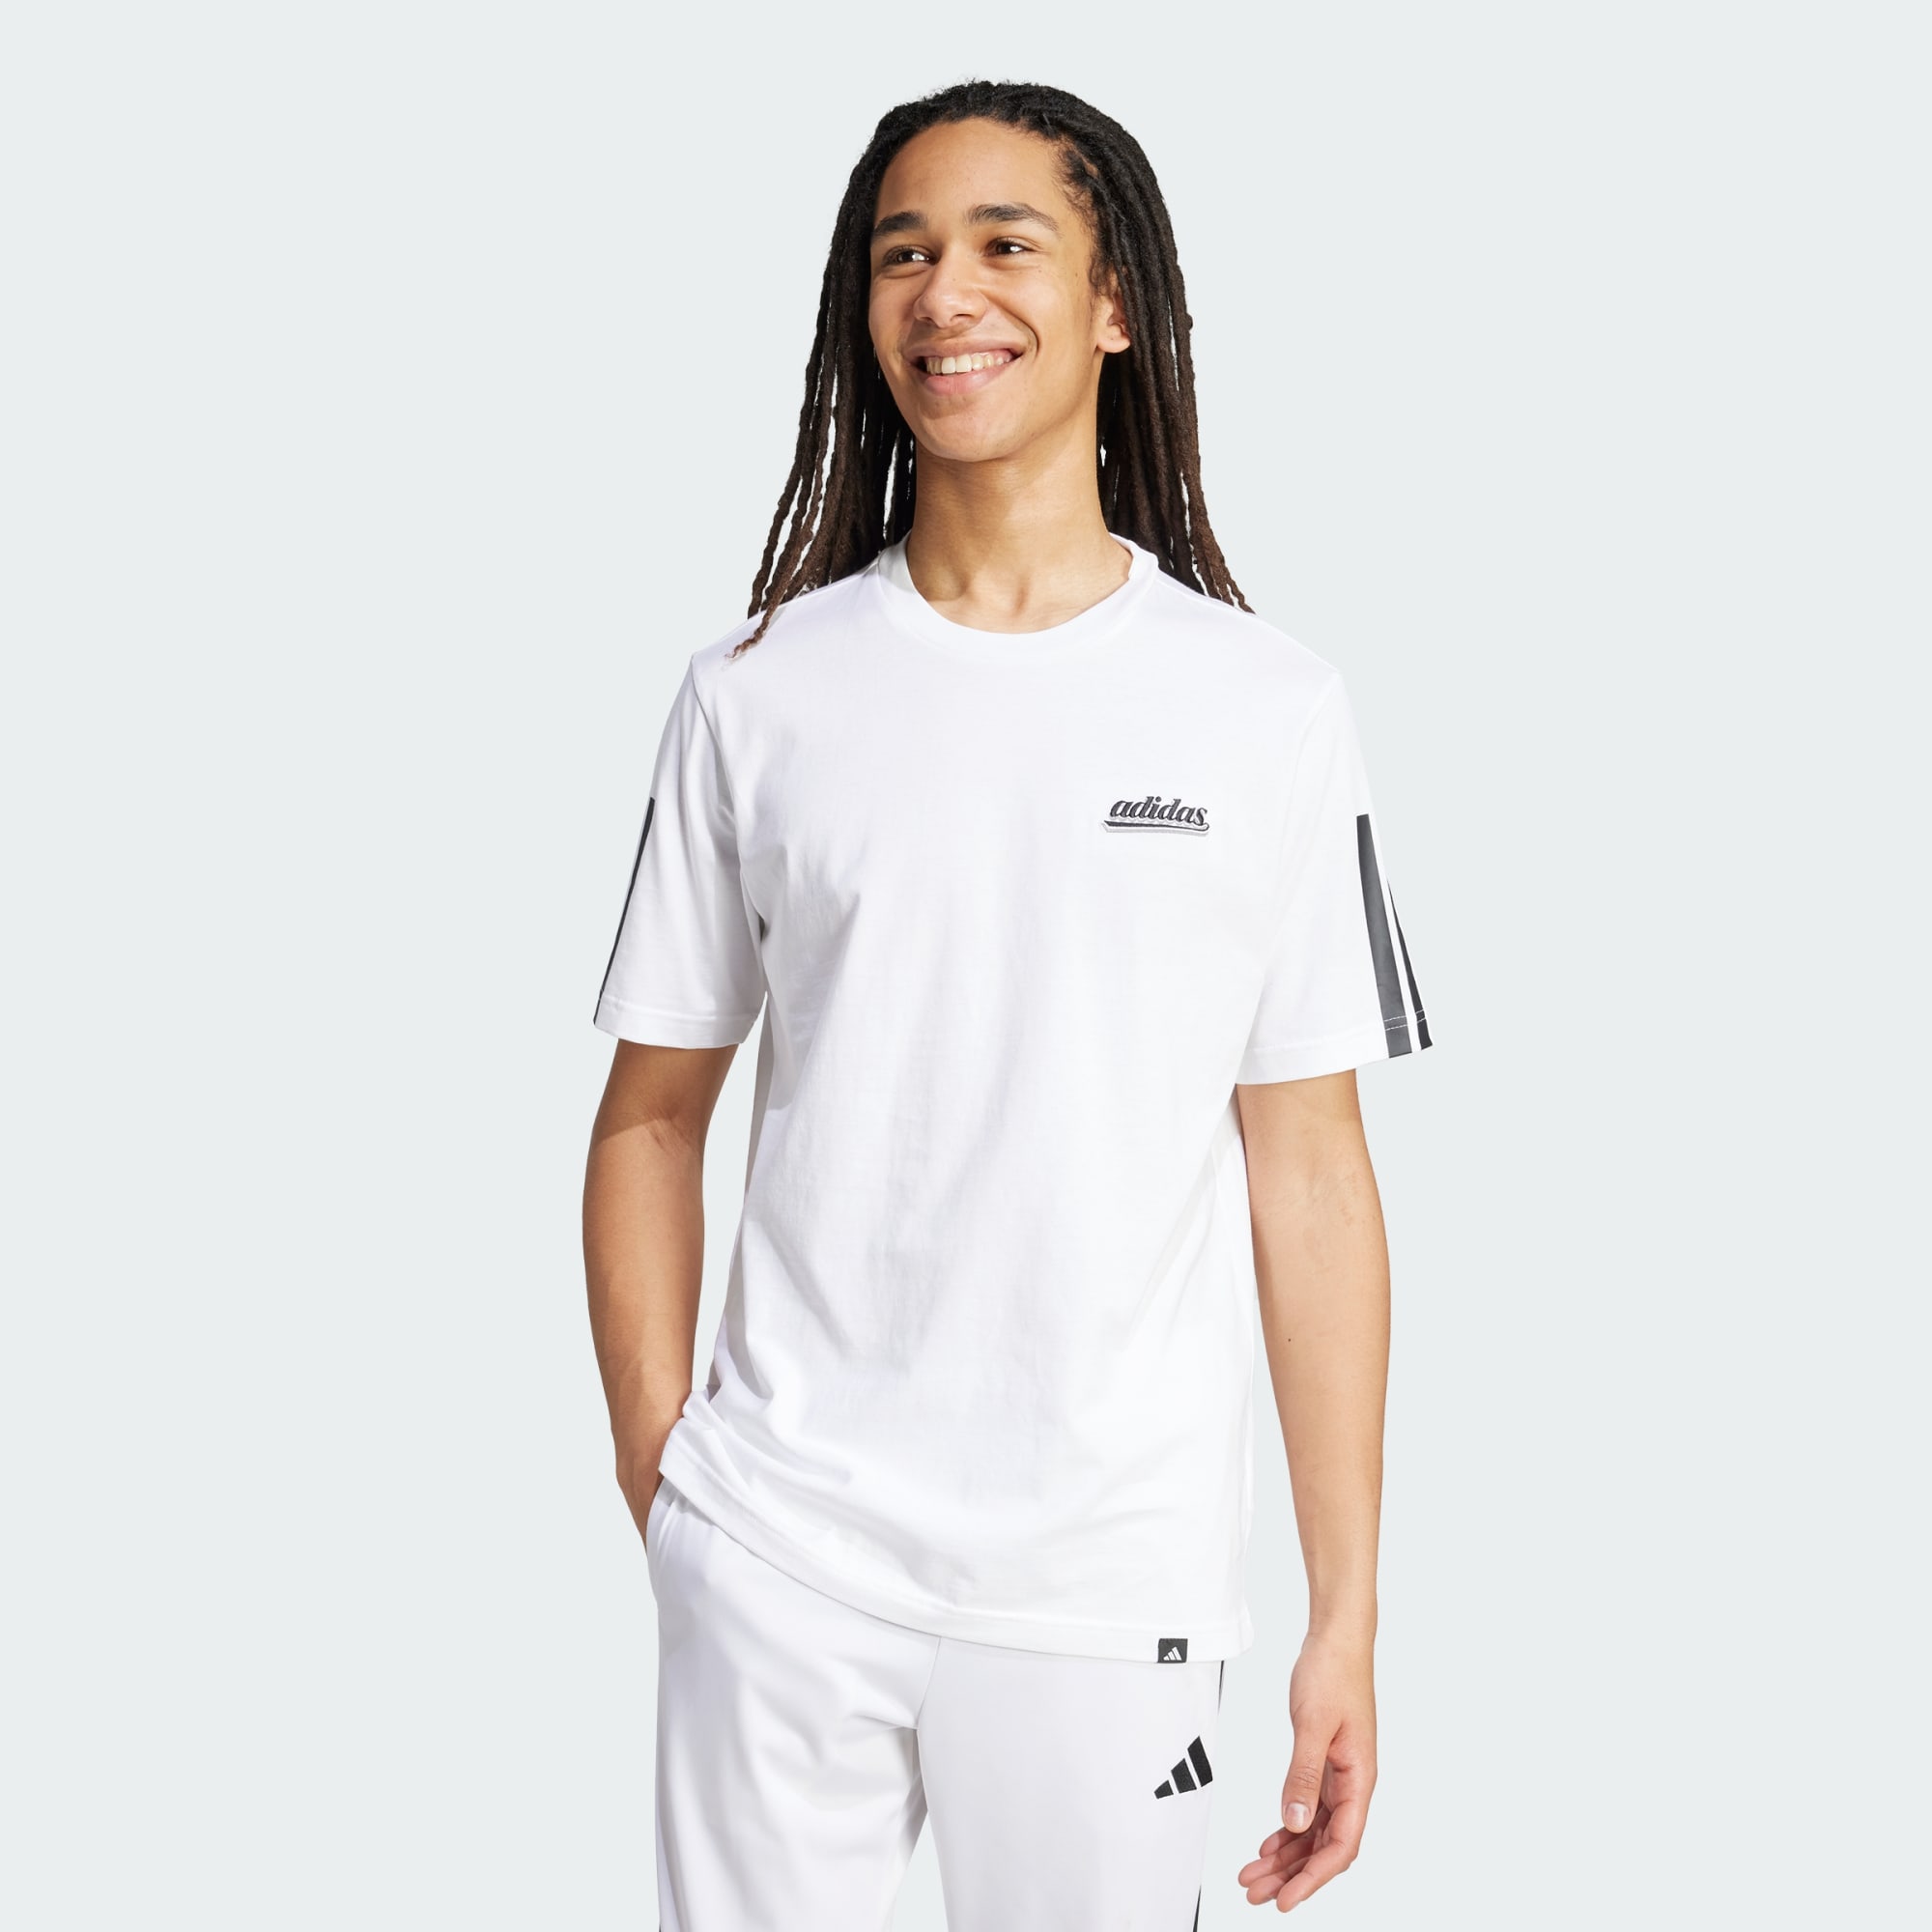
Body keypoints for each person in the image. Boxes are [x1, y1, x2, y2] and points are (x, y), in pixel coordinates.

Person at [582, 78, 1431, 1930]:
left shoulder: (1268, 710)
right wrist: (673, 1496)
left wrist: (1345, 1614)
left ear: (1115, 303)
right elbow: (649, 1117)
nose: (944, 292)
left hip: (1105, 1585)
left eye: (1003, 243)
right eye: (902, 253)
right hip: (780, 1558)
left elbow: (1313, 1176)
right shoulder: (757, 693)